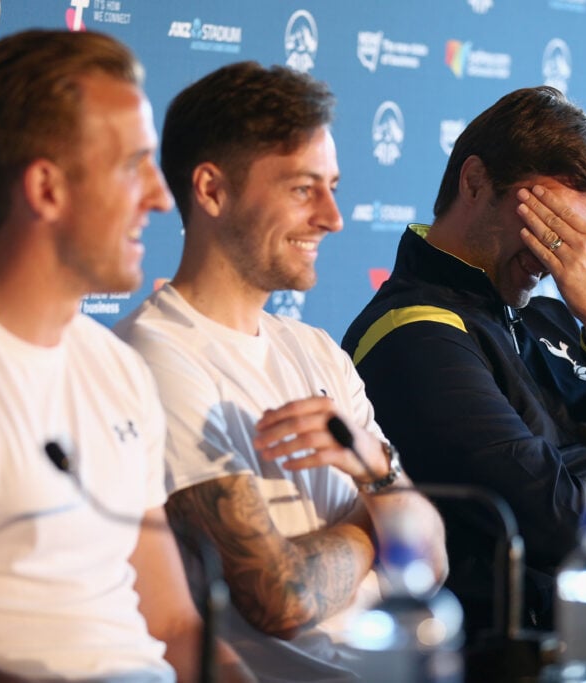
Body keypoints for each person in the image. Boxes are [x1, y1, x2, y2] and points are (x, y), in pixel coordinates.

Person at [0, 29, 251, 682]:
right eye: (132, 166)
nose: (160, 198)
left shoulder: (116, 364)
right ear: (45, 188)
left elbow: (178, 626)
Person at [115, 61, 448, 683]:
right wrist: (377, 523)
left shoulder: (319, 350)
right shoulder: (155, 356)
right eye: (302, 189)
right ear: (211, 191)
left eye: (333, 187)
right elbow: (278, 596)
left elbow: (432, 561)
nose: (332, 217)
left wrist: (375, 474)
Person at [341, 85, 586, 636]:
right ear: (475, 182)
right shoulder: (413, 333)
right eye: (546, 224)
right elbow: (553, 520)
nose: (553, 257)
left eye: (576, 237)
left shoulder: (551, 319)